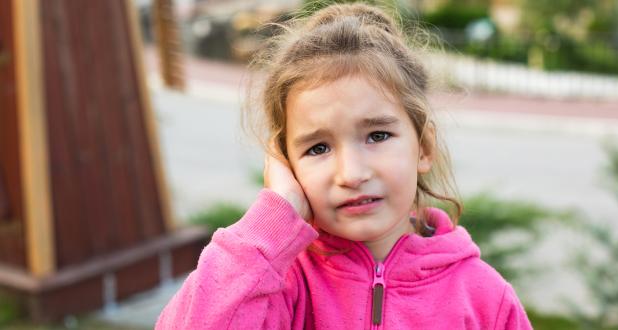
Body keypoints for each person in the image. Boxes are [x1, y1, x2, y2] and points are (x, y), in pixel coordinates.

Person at [156, 3, 532, 329]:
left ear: (424, 147)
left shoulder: (486, 300)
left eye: (377, 136)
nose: (352, 174)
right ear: (284, 164)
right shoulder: (278, 284)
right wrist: (274, 218)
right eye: (318, 148)